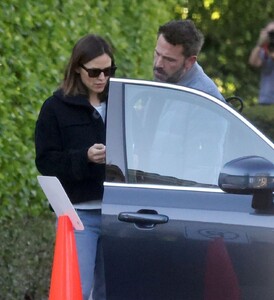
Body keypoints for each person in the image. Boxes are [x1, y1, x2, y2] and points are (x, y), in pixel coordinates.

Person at [35, 34, 117, 300]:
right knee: (75, 292)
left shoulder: (121, 103)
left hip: (120, 213)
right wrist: (84, 157)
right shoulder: (55, 108)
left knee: (113, 292)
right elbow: (46, 161)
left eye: (108, 70)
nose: (102, 77)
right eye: (94, 71)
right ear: (77, 69)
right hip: (79, 215)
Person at [153, 19, 225, 101]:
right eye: (157, 53)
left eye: (169, 59)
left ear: (190, 61)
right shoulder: (167, 79)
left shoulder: (204, 98)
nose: (158, 64)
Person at [249, 20, 274, 105]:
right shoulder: (264, 51)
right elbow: (253, 62)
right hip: (266, 100)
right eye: (270, 33)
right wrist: (260, 43)